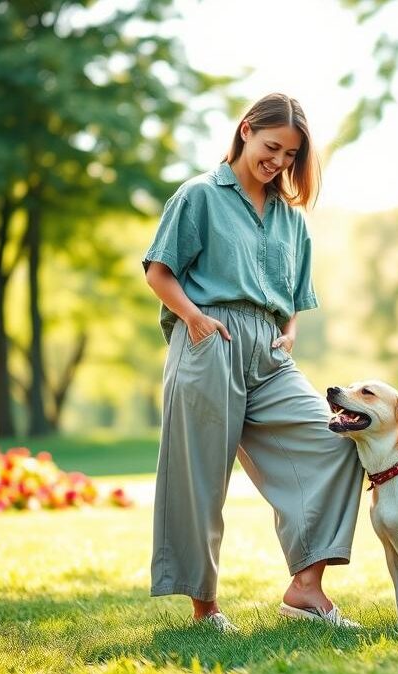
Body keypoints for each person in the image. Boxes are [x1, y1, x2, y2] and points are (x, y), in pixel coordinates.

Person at [142, 93, 364, 631]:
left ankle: (306, 589)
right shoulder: (199, 195)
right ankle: (205, 608)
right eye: (272, 147)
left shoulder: (291, 220)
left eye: (291, 155)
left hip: (267, 350)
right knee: (200, 476)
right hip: (209, 339)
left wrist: (288, 331)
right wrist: (195, 319)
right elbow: (158, 271)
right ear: (246, 131)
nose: (279, 161)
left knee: (338, 441)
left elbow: (293, 300)